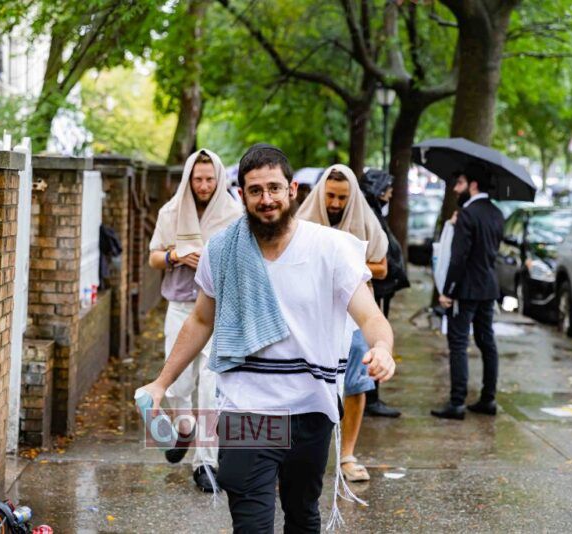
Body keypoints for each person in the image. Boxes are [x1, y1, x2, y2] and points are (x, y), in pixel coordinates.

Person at [140, 144, 396, 532]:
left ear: (292, 190)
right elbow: (200, 320)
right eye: (255, 190)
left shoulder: (329, 248)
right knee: (251, 525)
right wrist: (161, 383)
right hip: (246, 410)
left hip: (310, 409)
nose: (266, 199)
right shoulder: (222, 249)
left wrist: (382, 347)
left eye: (274, 188)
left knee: (302, 515)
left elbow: (370, 314)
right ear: (241, 195)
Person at [148, 148, 242, 490]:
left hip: (218, 308)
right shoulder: (170, 211)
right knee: (176, 383)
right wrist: (176, 256)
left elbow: (244, 259)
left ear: (220, 179)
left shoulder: (235, 214)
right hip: (180, 304)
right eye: (198, 179)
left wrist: (212, 261)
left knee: (210, 383)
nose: (203, 186)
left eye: (209, 179)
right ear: (188, 179)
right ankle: (184, 428)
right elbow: (154, 257)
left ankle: (206, 463)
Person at [296, 164, 389, 482]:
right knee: (303, 381)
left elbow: (382, 267)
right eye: (331, 196)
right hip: (314, 313)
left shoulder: (366, 221)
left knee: (356, 383)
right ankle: (299, 453)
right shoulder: (303, 222)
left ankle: (347, 454)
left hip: (356, 313)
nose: (335, 203)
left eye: (342, 198)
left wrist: (347, 263)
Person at [431, 161, 504, 420]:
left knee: (458, 343)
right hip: (488, 287)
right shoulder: (496, 213)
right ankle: (488, 398)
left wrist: (448, 291)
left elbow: (458, 258)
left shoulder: (468, 215)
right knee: (487, 342)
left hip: (466, 289)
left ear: (473, 185)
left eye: (460, 183)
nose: (455, 189)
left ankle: (457, 402)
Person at [360, 169, 410, 418]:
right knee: (370, 343)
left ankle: (371, 395)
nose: (390, 195)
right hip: (373, 290)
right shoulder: (370, 217)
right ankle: (370, 396)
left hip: (380, 289)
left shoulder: (373, 215)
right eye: (387, 190)